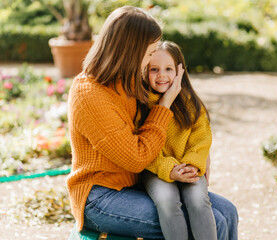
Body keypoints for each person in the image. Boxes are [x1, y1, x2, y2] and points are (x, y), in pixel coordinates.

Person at [66, 5, 239, 240]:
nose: (150, 62)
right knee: (214, 222)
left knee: (228, 212)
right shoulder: (89, 94)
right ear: (130, 51)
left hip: (137, 184)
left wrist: (197, 155)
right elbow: (136, 158)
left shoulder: (129, 80)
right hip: (101, 196)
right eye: (149, 53)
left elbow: (180, 124)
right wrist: (164, 105)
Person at [137, 40, 216, 240]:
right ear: (144, 71)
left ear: (180, 71)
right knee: (167, 201)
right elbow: (141, 147)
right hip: (156, 169)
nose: (162, 75)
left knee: (198, 200)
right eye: (154, 69)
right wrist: (169, 170)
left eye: (168, 69)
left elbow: (202, 139)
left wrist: (192, 164)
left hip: (189, 166)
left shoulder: (190, 103)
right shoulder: (141, 105)